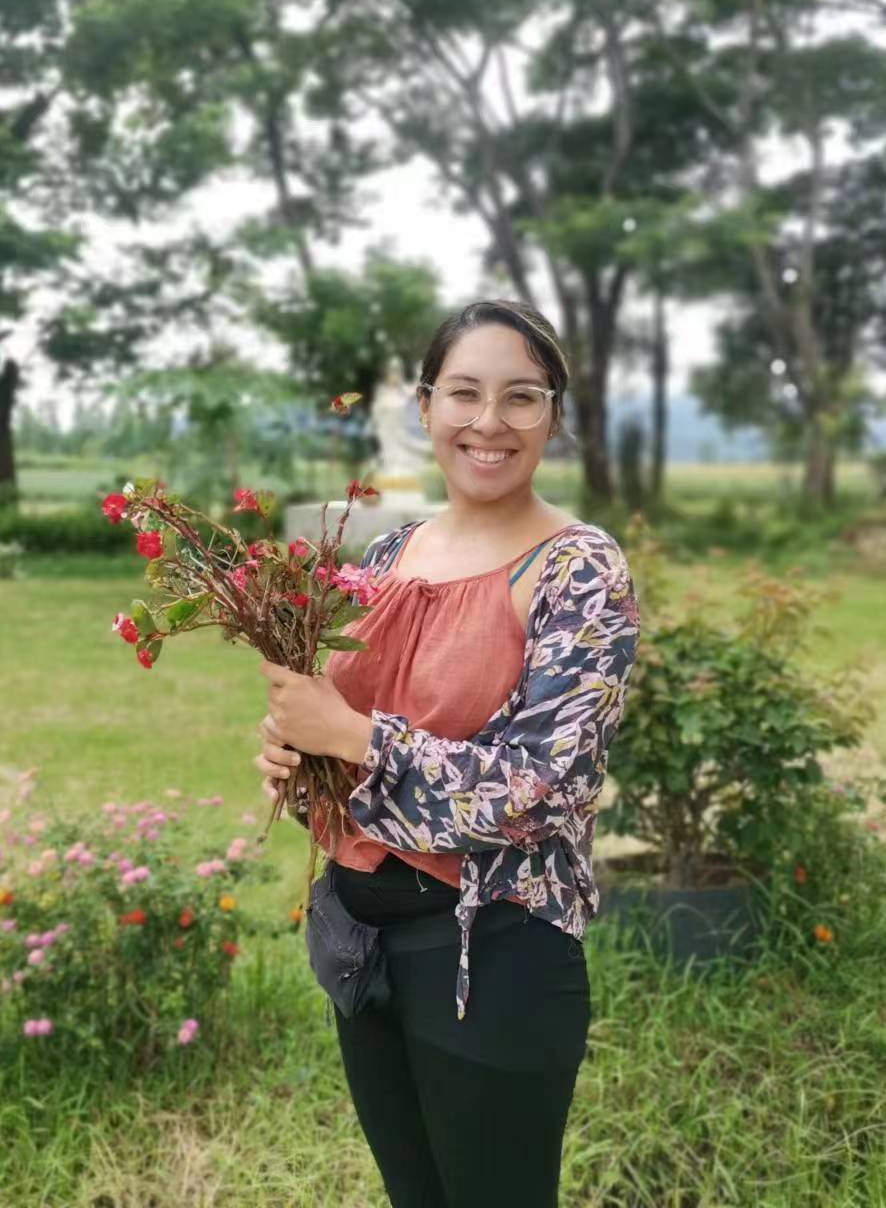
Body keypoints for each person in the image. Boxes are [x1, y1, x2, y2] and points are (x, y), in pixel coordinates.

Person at [254, 299, 641, 1208]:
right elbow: (340, 743)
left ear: (553, 416)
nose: (489, 421)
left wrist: (349, 738)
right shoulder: (389, 554)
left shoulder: (579, 569)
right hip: (363, 946)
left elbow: (539, 791)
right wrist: (294, 756)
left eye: (521, 397)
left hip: (494, 959)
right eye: (463, 393)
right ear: (425, 406)